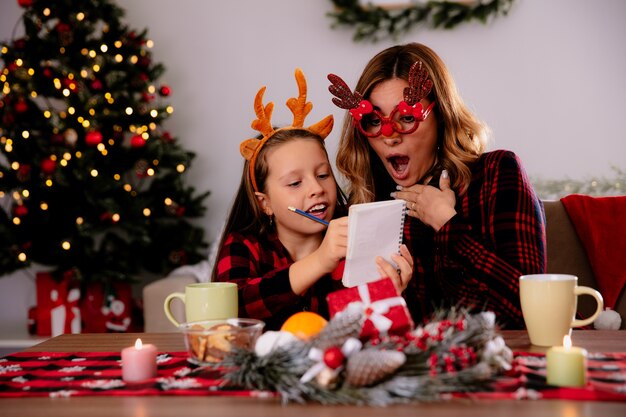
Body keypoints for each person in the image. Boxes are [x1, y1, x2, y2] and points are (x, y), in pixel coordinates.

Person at [329, 43, 546, 329]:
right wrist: (387, 299)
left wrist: (448, 225)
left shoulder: (496, 173)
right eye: (373, 120)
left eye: (407, 117)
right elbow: (346, 330)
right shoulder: (363, 206)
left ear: (441, 115)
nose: (389, 136)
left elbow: (533, 311)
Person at [213, 69, 413, 330]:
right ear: (265, 203)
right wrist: (320, 260)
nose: (316, 189)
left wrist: (387, 296)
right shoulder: (245, 244)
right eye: (295, 183)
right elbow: (232, 309)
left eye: (322, 174)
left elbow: (359, 330)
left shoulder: (356, 230)